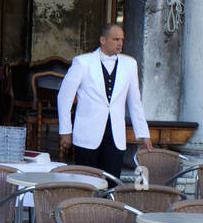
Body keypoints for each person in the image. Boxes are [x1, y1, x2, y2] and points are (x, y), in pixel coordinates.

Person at [57, 22, 153, 177]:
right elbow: (64, 98)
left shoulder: (130, 64)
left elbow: (135, 102)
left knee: (112, 180)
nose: (120, 43)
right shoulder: (83, 62)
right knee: (86, 181)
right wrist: (65, 131)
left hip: (115, 134)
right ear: (103, 40)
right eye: (115, 39)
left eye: (122, 39)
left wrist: (143, 134)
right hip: (87, 133)